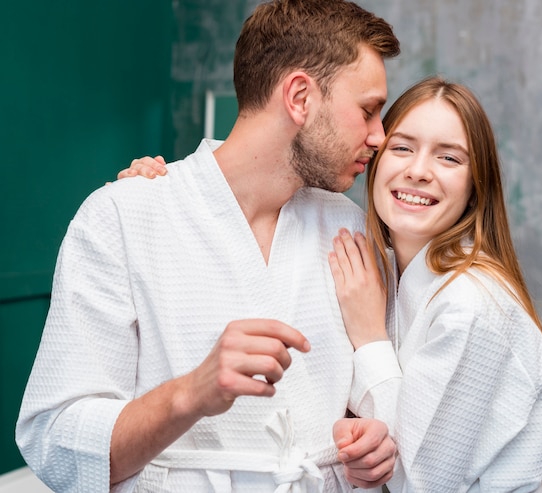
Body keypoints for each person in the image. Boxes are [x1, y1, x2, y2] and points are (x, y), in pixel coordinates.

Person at [15, 1, 403, 492]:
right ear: (300, 97)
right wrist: (189, 394)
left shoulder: (354, 231)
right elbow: (54, 442)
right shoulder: (124, 217)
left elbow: (378, 406)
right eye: (368, 110)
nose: (380, 136)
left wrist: (369, 446)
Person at [328, 76, 542, 492]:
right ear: (374, 163)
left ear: (474, 188)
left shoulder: (471, 304)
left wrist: (369, 339)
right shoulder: (389, 279)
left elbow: (422, 481)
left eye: (448, 159)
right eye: (402, 148)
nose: (417, 171)